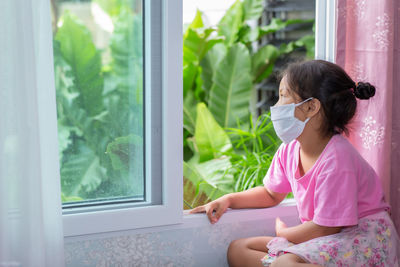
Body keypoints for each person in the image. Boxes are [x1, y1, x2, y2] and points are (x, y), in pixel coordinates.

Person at [190, 60, 400, 266]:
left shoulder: (338, 158)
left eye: (283, 96)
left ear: (311, 107)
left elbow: (327, 228)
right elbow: (271, 194)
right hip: (327, 236)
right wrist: (228, 200)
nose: (276, 105)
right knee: (238, 249)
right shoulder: (289, 150)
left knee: (285, 263)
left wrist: (284, 234)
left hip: (365, 238)